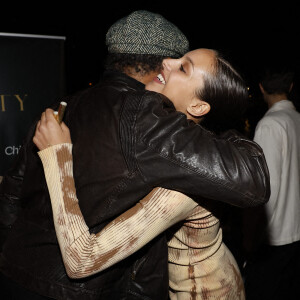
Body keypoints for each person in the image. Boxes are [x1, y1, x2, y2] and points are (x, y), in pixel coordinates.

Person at [0, 11, 269, 300]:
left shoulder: (61, 106)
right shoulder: (149, 119)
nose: (168, 66)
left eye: (183, 68)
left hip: (16, 271)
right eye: (176, 61)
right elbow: (252, 179)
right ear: (154, 62)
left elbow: (11, 197)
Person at [243, 65, 300, 300]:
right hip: (295, 232)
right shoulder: (296, 119)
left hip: (275, 237)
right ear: (290, 87)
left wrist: (250, 236)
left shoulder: (270, 124)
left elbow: (266, 189)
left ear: (261, 88)